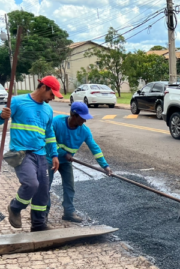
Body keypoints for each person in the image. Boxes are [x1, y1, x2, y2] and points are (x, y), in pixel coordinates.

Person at [1, 76, 61, 231]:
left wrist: (54, 155)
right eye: (52, 93)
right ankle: (15, 207)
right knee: (31, 184)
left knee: (42, 190)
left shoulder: (48, 109)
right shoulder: (17, 102)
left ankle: (38, 225)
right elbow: (2, 119)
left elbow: (49, 133)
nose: (53, 97)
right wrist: (2, 117)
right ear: (43, 88)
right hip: (21, 153)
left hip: (41, 154)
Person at [46, 102, 112, 223]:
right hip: (50, 159)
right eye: (83, 118)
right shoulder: (57, 122)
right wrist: (63, 153)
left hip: (65, 163)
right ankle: (42, 214)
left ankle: (69, 212)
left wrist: (105, 166)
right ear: (74, 115)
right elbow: (49, 141)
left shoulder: (84, 131)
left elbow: (95, 148)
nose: (85, 121)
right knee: (45, 186)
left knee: (69, 186)